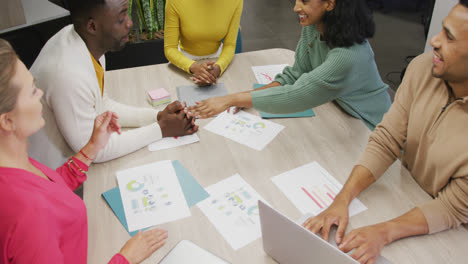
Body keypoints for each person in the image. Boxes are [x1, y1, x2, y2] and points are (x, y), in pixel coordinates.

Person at [302, 2, 468, 263]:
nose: (434, 41)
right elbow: (387, 139)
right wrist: (341, 200)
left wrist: (384, 231)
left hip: (449, 239)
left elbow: (451, 208)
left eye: (449, 36)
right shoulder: (423, 68)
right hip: (406, 194)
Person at [0, 38, 167, 264]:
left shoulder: (13, 164)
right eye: (31, 91)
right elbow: (39, 205)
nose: (40, 93)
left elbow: (50, 188)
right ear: (7, 121)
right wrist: (125, 258)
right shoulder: (29, 215)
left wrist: (91, 148)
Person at [29, 0, 198, 168]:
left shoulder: (85, 42)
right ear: (92, 26)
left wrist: (156, 117)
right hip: (52, 178)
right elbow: (93, 149)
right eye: (121, 18)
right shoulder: (67, 74)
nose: (130, 23)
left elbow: (102, 106)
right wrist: (161, 129)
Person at [187, 0, 391, 130]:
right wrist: (245, 99)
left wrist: (229, 99)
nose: (295, 8)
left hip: (367, 126)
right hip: (339, 110)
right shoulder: (313, 27)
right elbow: (295, 76)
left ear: (330, 3)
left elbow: (297, 95)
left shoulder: (348, 56)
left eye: (304, 1)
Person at [164, 0, 243, 86]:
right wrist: (194, 67)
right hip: (184, 61)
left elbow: (230, 45)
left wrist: (217, 69)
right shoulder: (174, 1)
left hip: (218, 60)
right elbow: (170, 48)